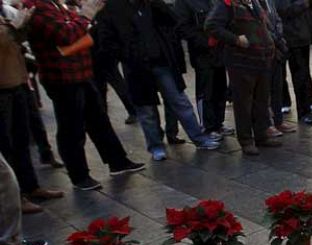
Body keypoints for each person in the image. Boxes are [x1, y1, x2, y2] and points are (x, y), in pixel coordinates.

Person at [24, 0, 144, 191]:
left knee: (99, 120)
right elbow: (66, 35)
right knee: (72, 128)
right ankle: (79, 175)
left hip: (81, 72)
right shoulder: (39, 9)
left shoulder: (56, 5)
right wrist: (86, 15)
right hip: (62, 77)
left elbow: (75, 26)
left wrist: (80, 17)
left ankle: (118, 161)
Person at [95, 0, 222, 162]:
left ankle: (198, 137)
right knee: (146, 109)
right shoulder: (113, 8)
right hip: (136, 66)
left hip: (161, 60)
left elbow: (172, 20)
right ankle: (156, 146)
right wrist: (125, 54)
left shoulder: (150, 4)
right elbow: (106, 39)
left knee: (179, 100)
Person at [1, 1, 64, 214]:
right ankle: (15, 197)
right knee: (7, 144)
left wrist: (22, 25)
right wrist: (14, 26)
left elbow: (17, 41)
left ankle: (31, 187)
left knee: (22, 140)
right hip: (3, 87)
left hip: (17, 81)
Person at [206, 0, 281, 155]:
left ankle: (261, 135)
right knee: (243, 103)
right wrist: (236, 39)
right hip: (241, 62)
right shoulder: (227, 4)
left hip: (262, 60)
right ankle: (246, 140)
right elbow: (211, 26)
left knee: (261, 100)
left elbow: (264, 25)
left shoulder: (254, 3)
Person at [174, 0, 233, 140]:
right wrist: (204, 42)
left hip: (219, 51)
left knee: (220, 88)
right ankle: (208, 125)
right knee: (206, 91)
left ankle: (218, 122)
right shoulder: (185, 3)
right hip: (202, 53)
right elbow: (182, 27)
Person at [276, 0, 312, 125]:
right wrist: (304, 3)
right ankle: (300, 110)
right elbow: (283, 10)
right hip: (290, 39)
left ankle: (307, 108)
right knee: (296, 76)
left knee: (304, 75)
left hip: (303, 37)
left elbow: (311, 8)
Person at [264, 0, 296, 136]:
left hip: (276, 50)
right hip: (264, 49)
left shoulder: (270, 2)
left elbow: (277, 20)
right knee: (265, 91)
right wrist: (274, 39)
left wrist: (278, 36)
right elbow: (261, 24)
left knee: (277, 87)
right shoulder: (254, 3)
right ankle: (267, 124)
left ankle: (278, 120)